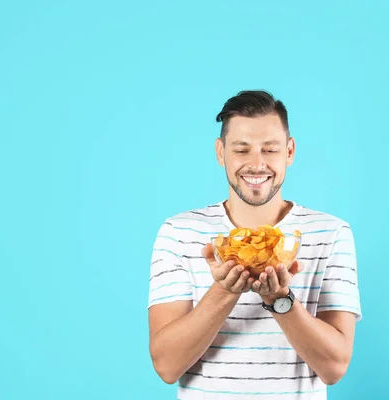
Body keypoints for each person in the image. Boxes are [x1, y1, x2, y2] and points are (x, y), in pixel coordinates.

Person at [147, 90, 362, 399]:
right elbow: (167, 366)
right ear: (221, 152)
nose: (257, 164)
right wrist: (224, 291)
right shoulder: (178, 232)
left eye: (270, 149)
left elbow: (335, 367)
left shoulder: (331, 233)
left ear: (289, 151)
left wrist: (280, 300)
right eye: (242, 149)